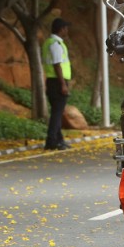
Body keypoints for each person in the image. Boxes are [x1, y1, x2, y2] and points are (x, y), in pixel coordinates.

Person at [43, 18, 72, 150]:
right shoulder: (55, 44)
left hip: (53, 81)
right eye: (66, 28)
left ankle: (58, 140)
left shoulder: (51, 42)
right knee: (56, 113)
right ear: (61, 29)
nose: (67, 31)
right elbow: (57, 65)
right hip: (57, 81)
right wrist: (63, 85)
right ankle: (51, 141)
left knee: (57, 112)